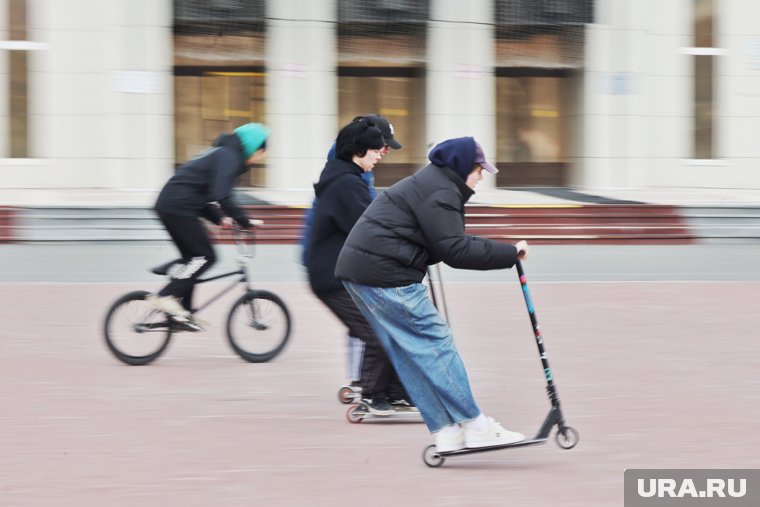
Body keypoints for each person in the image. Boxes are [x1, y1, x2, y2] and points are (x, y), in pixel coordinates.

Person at [336, 136, 530, 450]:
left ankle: (447, 431)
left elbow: (446, 239)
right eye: (479, 170)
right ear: (463, 166)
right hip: (386, 273)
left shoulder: (433, 184)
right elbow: (455, 249)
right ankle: (475, 424)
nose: (481, 176)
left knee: (408, 353)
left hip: (362, 272)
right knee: (436, 343)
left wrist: (500, 250)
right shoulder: (441, 191)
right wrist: (509, 253)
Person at [306, 117, 412, 415]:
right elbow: (369, 228)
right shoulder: (345, 185)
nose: (381, 155)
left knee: (387, 326)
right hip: (333, 277)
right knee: (377, 330)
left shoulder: (347, 178)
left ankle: (393, 391)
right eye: (377, 150)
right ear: (359, 151)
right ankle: (372, 394)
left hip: (343, 272)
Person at [147, 122, 270, 326]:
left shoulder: (225, 155)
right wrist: (244, 221)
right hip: (178, 207)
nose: (261, 157)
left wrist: (220, 218)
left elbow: (202, 191)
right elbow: (222, 195)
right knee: (206, 256)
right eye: (261, 151)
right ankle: (165, 296)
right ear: (254, 146)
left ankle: (183, 313)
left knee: (194, 259)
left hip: (174, 205)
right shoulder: (229, 156)